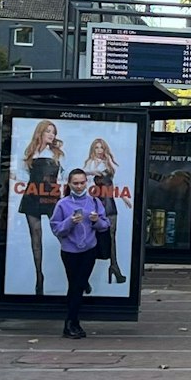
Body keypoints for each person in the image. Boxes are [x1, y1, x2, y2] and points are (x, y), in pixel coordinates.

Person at [49, 168, 109, 339]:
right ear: (69, 184)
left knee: (78, 286)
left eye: (82, 182)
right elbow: (56, 228)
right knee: (75, 286)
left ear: (86, 183)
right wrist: (70, 222)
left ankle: (71, 322)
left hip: (89, 249)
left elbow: (105, 225)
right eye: (75, 183)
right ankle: (71, 323)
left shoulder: (94, 202)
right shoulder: (63, 204)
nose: (79, 186)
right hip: (70, 251)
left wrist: (96, 221)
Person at [16, 120, 64, 294]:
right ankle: (39, 277)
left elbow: (64, 177)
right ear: (40, 132)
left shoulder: (58, 154)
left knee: (62, 234)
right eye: (48, 131)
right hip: (33, 195)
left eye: (54, 132)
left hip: (52, 197)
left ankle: (75, 274)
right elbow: (22, 176)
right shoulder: (30, 152)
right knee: (35, 237)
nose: (51, 135)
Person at [83, 137, 127, 284]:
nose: (100, 150)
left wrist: (125, 197)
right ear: (93, 149)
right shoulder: (90, 164)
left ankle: (115, 266)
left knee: (112, 236)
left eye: (102, 147)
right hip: (96, 204)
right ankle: (86, 275)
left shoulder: (109, 163)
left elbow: (116, 182)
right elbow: (85, 181)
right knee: (91, 239)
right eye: (97, 147)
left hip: (109, 203)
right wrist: (91, 172)